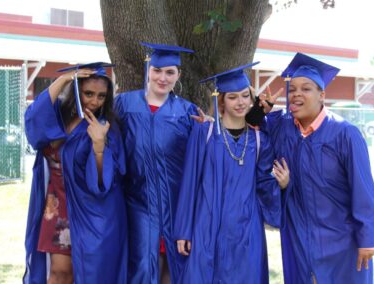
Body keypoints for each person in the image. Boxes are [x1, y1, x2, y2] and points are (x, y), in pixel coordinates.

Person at [258, 53, 374, 283]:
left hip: (341, 237)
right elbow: (251, 130)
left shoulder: (345, 133)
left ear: (322, 95)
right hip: (299, 234)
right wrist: (259, 111)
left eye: (306, 88)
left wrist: (368, 238)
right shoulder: (282, 128)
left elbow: (363, 187)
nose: (296, 94)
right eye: (293, 89)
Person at [173, 62, 290, 284]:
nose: (240, 102)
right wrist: (183, 230)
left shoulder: (259, 140)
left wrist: (281, 186)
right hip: (207, 224)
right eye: (233, 97)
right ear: (221, 100)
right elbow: (190, 182)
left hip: (247, 227)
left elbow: (264, 183)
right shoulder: (204, 133)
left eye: (245, 96)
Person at [23, 62, 127, 284]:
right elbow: (34, 122)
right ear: (77, 89)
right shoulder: (59, 114)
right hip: (58, 202)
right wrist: (64, 79)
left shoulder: (107, 126)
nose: (94, 101)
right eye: (88, 93)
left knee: (87, 275)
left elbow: (105, 181)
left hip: (90, 209)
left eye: (101, 96)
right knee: (59, 273)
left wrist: (99, 147)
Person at [114, 42, 205, 284]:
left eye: (170, 72)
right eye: (157, 70)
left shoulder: (188, 112)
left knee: (173, 268)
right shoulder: (123, 104)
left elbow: (203, 160)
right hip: (137, 204)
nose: (162, 78)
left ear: (178, 75)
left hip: (177, 205)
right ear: (148, 69)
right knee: (141, 265)